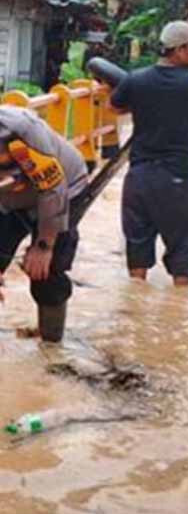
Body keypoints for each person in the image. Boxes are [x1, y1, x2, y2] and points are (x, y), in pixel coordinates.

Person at [110, 21, 188, 287]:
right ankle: (177, 315)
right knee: (182, 256)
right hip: (180, 181)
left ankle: (136, 310)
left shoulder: (136, 79)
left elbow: (117, 108)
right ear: (180, 50)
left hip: (139, 179)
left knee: (137, 257)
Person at [0, 105, 88, 341]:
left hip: (63, 191)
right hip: (8, 200)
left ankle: (51, 346)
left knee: (44, 272)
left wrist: (44, 245)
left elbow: (52, 190)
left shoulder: (21, 130)